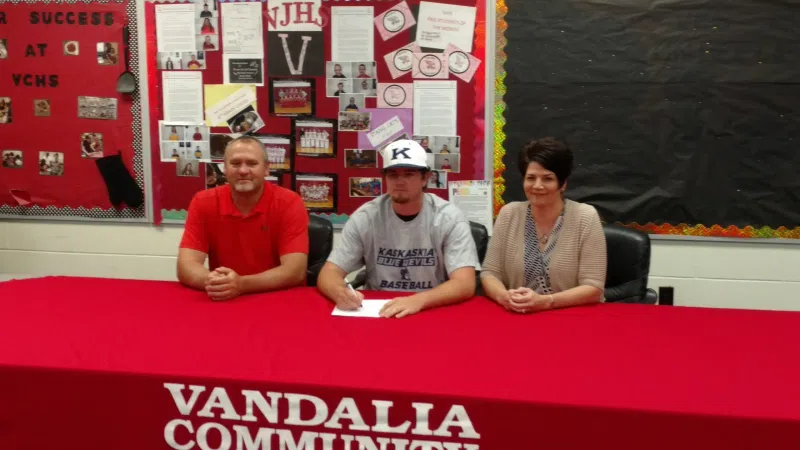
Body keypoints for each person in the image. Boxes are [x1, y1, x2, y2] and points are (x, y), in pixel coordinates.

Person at [317, 139, 479, 318]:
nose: (399, 182)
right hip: (378, 309)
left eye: (408, 174)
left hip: (430, 307)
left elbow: (465, 283)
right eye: (393, 175)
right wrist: (339, 292)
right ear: (385, 178)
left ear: (425, 178)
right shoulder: (365, 217)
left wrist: (418, 300)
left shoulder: (449, 218)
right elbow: (329, 273)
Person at [480, 137, 606, 314]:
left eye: (547, 179)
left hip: (571, 317)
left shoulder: (585, 217)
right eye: (531, 178)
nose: (537, 186)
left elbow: (593, 288)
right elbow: (489, 273)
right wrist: (504, 296)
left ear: (562, 184)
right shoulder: (509, 214)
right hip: (518, 315)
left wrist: (545, 302)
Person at [178, 136, 310, 301]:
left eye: (252, 163)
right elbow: (186, 266)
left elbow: (295, 271)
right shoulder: (203, 202)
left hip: (277, 298)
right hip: (225, 300)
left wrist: (241, 284)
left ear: (266, 169)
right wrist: (217, 283)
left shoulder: (290, 203)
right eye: (235, 163)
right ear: (225, 168)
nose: (243, 170)